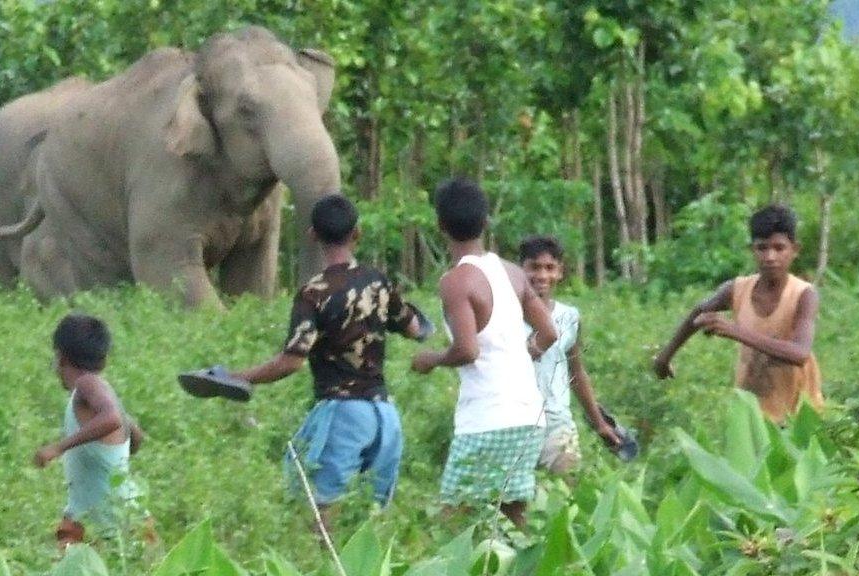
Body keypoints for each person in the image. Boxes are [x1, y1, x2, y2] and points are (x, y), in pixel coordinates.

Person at [229, 194, 426, 531]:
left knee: (322, 512)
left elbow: (291, 361)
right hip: (384, 414)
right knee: (373, 518)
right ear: (357, 234)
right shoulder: (378, 281)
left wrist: (240, 376)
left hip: (343, 413)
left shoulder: (313, 292)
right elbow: (413, 327)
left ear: (312, 235)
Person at [410, 177, 557, 530]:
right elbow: (549, 332)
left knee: (452, 524)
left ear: (440, 225)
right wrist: (521, 355)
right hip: (527, 415)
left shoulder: (456, 281)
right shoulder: (511, 272)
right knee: (513, 519)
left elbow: (467, 350)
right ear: (486, 222)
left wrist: (431, 360)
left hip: (488, 419)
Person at [653, 205, 823, 423]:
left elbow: (799, 353)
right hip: (752, 411)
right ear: (752, 249)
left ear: (795, 250)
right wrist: (664, 358)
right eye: (762, 248)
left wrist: (734, 331)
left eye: (779, 248)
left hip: (797, 414)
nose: (770, 257)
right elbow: (697, 313)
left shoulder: (804, 295)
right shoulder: (737, 289)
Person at [34, 314, 146, 548]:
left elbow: (113, 419)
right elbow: (134, 433)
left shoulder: (87, 384)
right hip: (102, 516)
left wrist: (58, 447)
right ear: (103, 360)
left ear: (60, 357)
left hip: (109, 522)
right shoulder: (102, 391)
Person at [518, 235, 621, 476]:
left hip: (558, 422)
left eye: (549, 268)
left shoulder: (569, 316)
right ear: (520, 270)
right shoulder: (506, 316)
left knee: (567, 495)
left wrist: (599, 423)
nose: (542, 276)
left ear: (560, 272)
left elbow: (576, 371)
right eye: (534, 267)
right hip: (515, 422)